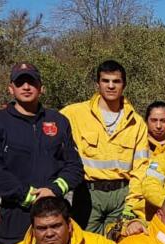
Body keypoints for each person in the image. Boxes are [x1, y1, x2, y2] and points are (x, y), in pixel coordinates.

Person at [0, 62, 84, 244]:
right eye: (20, 83)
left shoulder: (59, 121)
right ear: (11, 89)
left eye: (32, 82)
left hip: (53, 214)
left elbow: (74, 166)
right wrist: (27, 195)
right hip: (15, 213)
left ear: (41, 88)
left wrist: (54, 190)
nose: (26, 87)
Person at [61, 60, 150, 232]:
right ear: (97, 84)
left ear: (123, 85)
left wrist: (132, 206)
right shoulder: (74, 113)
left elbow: (141, 169)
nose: (110, 86)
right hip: (87, 194)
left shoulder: (136, 123)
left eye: (116, 81)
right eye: (105, 81)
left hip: (121, 195)